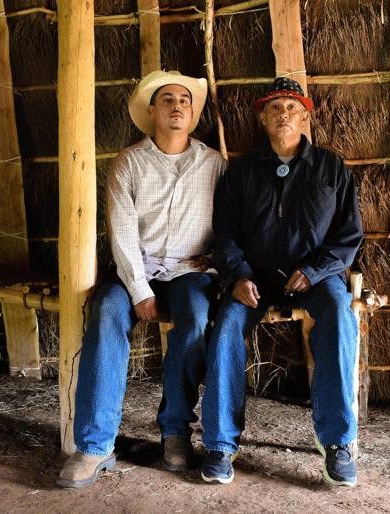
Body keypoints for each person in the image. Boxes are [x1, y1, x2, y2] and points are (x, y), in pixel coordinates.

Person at [57, 71, 227, 488]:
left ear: (192, 113)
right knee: (105, 314)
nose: (177, 106)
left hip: (191, 269)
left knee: (195, 321)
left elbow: (230, 222)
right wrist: (138, 289)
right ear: (151, 111)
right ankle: (96, 446)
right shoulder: (128, 162)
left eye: (184, 100)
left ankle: (175, 433)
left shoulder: (214, 164)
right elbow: (121, 230)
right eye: (166, 100)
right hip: (138, 267)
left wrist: (218, 261)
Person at [205, 77, 363, 486]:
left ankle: (337, 443)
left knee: (340, 318)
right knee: (225, 328)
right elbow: (223, 234)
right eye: (275, 107)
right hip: (252, 277)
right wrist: (237, 274)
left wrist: (314, 271)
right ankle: (221, 445)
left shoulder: (331, 168)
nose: (284, 114)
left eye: (292, 107)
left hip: (316, 277)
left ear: (305, 116)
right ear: (262, 117)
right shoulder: (240, 172)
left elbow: (348, 237)